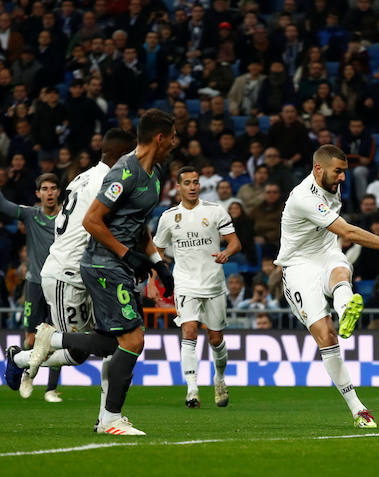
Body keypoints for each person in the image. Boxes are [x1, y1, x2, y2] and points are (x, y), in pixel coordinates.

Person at [27, 109, 177, 436]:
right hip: (103, 264)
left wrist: (157, 264)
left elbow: (138, 225)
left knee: (112, 343)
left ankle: (53, 340)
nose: (175, 144)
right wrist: (128, 255)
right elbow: (91, 220)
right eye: (173, 136)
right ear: (160, 138)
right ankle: (110, 419)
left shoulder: (155, 173)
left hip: (120, 264)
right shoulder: (124, 173)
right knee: (133, 339)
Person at [275, 145, 379, 429]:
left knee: (341, 271)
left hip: (327, 254)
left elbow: (340, 235)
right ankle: (356, 407)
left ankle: (345, 311)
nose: (343, 177)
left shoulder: (332, 184)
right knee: (327, 338)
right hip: (298, 266)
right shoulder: (304, 197)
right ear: (318, 169)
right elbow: (348, 232)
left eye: (344, 171)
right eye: (338, 171)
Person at [6, 130, 134, 411]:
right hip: (68, 273)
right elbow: (99, 225)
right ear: (120, 156)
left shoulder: (83, 176)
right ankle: (23, 356)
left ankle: (107, 416)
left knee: (105, 341)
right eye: (130, 155)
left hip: (87, 271)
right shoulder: (108, 181)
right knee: (80, 351)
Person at [153, 167, 242, 408]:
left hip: (213, 283)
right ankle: (192, 390)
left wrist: (225, 253)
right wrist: (156, 277)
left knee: (215, 339)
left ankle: (220, 378)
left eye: (195, 182)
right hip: (185, 282)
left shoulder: (214, 211)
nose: (192, 187)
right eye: (188, 183)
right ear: (178, 187)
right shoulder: (169, 217)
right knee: (189, 330)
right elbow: (157, 250)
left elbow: (235, 242)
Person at [0, 173, 62, 401]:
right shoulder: (30, 214)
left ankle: (51, 389)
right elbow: (3, 206)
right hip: (35, 283)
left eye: (53, 188)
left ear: (59, 192)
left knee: (59, 336)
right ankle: (28, 373)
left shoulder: (67, 217)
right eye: (45, 188)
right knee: (32, 339)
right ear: (38, 194)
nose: (49, 192)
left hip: (60, 285)